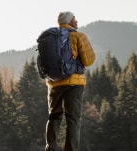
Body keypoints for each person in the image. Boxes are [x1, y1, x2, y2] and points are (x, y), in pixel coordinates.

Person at [45, 11, 95, 151]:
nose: (77, 22)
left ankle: (50, 148)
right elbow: (88, 60)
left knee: (54, 116)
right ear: (69, 21)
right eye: (75, 19)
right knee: (72, 119)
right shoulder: (78, 36)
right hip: (74, 83)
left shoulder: (50, 38)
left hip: (54, 83)